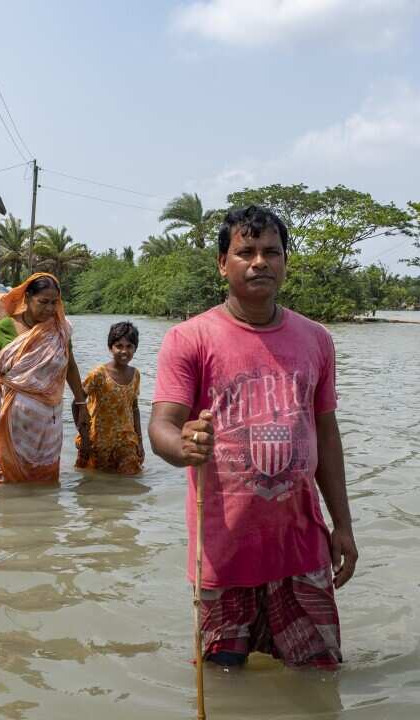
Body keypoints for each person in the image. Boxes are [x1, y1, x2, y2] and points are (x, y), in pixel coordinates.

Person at [148, 205, 358, 670]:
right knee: (225, 683)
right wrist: (183, 446)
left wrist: (342, 525)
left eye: (271, 252)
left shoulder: (316, 339)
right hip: (223, 552)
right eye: (245, 252)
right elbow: (161, 425)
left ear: (285, 262)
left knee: (319, 676)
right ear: (223, 263)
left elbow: (326, 433)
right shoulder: (190, 338)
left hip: (301, 547)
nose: (259, 262)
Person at [0, 273, 90, 483]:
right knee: (4, 481)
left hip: (47, 425)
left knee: (45, 483)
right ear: (27, 298)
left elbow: (70, 367)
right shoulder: (6, 327)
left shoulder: (60, 330)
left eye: (54, 303)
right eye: (43, 302)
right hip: (11, 422)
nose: (49, 309)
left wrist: (81, 402)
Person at [76, 321, 144, 475]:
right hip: (99, 441)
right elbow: (78, 402)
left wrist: (140, 442)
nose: (124, 351)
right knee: (96, 484)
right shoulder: (98, 374)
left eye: (129, 346)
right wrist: (84, 437)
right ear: (110, 348)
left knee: (131, 479)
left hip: (126, 441)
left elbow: (134, 408)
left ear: (135, 349)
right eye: (119, 346)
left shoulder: (135, 374)